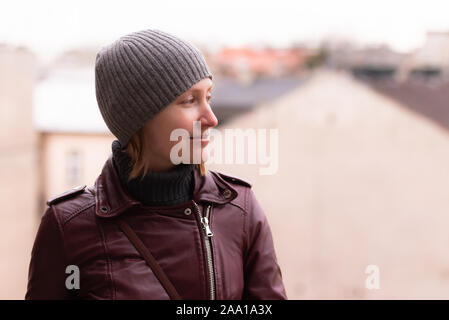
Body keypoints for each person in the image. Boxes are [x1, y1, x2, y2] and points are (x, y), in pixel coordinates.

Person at [25, 29, 287, 300]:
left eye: (208, 97)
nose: (211, 118)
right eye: (189, 100)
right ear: (139, 118)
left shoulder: (239, 208)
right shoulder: (70, 227)